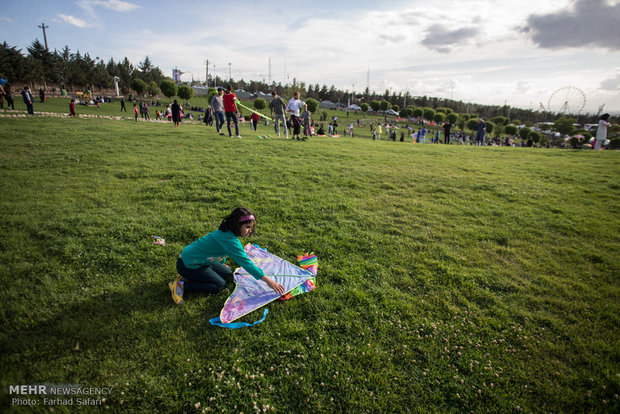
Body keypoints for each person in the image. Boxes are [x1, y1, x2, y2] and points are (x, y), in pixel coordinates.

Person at [169, 207, 285, 304]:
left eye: (251, 227)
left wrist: (221, 264)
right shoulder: (230, 241)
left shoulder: (228, 234)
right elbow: (247, 264)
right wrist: (270, 282)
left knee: (231, 275)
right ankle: (181, 284)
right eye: (247, 227)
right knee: (220, 285)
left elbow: (220, 252)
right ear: (237, 225)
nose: (250, 231)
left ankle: (190, 276)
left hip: (205, 261)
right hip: (189, 264)